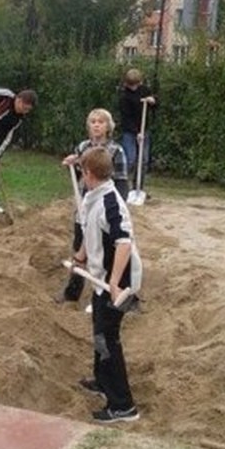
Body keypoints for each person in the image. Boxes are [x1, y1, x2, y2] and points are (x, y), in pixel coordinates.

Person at [68, 146, 142, 423]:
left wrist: (114, 281)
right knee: (99, 333)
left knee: (108, 339)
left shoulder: (111, 203)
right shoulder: (93, 196)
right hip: (102, 280)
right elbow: (89, 230)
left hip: (118, 283)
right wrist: (80, 257)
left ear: (89, 173)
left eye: (82, 171)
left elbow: (124, 243)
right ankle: (102, 381)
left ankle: (123, 405)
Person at [58, 108, 128, 303]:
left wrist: (115, 210)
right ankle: (72, 292)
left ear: (108, 127)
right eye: (93, 121)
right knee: (79, 248)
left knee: (104, 253)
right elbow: (79, 177)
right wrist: (72, 165)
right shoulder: (82, 147)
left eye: (101, 122)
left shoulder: (116, 151)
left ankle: (104, 294)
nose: (96, 125)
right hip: (84, 208)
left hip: (104, 210)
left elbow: (122, 183)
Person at [118, 68, 156, 191]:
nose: (134, 88)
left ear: (140, 83)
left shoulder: (144, 90)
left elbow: (155, 105)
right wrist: (136, 132)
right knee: (130, 159)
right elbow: (126, 118)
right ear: (127, 83)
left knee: (143, 161)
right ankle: (122, 186)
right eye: (131, 85)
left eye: (136, 85)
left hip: (144, 129)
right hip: (129, 132)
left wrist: (153, 101)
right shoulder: (124, 97)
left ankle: (138, 188)